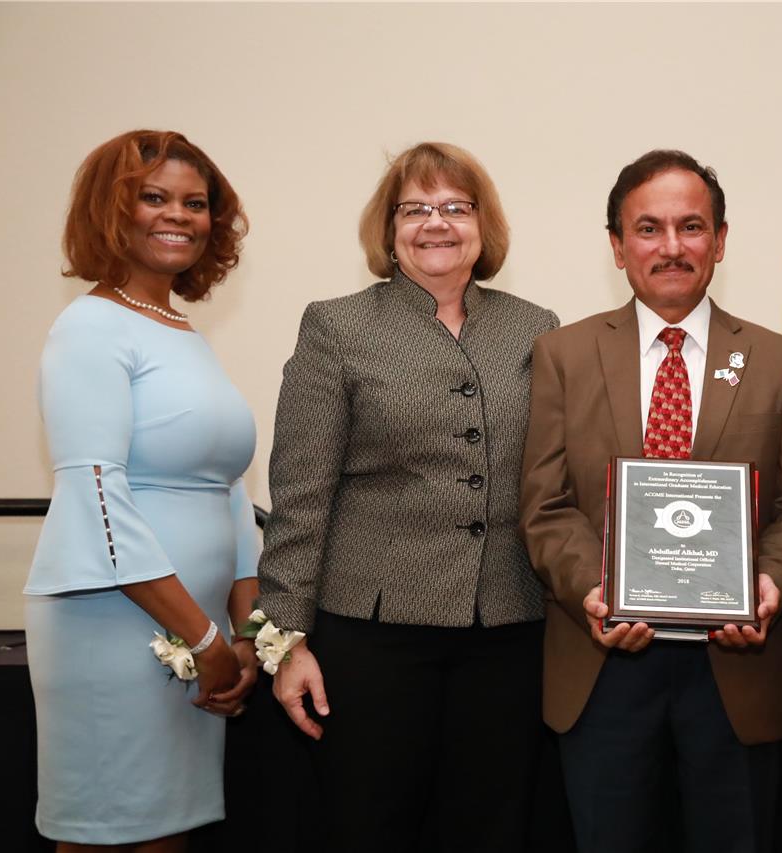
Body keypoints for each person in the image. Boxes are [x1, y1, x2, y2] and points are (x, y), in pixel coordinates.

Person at [255, 141, 558, 852]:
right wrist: (286, 640)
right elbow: (300, 493)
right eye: (415, 208)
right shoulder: (337, 326)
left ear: (483, 225)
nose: (436, 223)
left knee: (493, 826)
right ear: (388, 229)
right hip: (373, 635)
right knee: (370, 824)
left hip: (508, 628)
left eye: (456, 207)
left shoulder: (535, 326)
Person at [520, 149, 782, 853]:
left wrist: (769, 585)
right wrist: (595, 590)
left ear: (720, 241)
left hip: (739, 673)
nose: (671, 247)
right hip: (602, 666)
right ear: (617, 246)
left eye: (691, 227)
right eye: (648, 228)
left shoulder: (781, 361)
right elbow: (544, 506)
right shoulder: (562, 355)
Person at [25, 129, 258, 850]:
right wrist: (206, 637)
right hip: (115, 627)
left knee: (166, 832)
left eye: (196, 203)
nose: (178, 215)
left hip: (200, 634)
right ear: (112, 209)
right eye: (154, 197)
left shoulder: (179, 330)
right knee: (112, 831)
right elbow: (97, 500)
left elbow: (228, 492)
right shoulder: (90, 326)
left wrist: (248, 635)